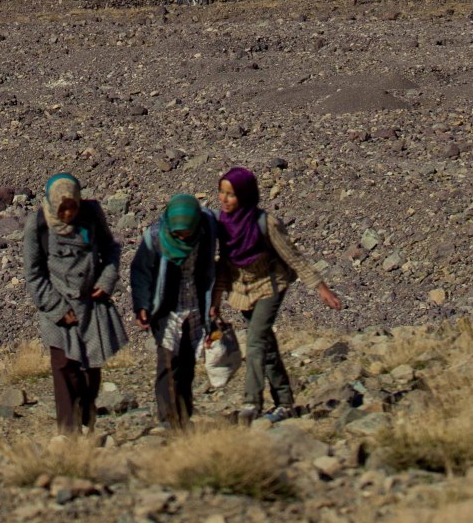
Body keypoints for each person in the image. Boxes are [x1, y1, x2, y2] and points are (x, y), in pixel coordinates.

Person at [212, 166, 342, 423]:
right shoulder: (221, 226)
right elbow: (223, 267)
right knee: (266, 344)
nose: (225, 200)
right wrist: (215, 301)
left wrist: (321, 288)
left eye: (232, 194)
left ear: (246, 196)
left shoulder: (265, 223)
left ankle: (252, 403)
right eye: (222, 193)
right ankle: (285, 402)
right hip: (241, 290)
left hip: (270, 285)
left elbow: (293, 257)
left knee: (255, 341)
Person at [22, 172, 126, 433]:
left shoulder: (91, 215)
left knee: (91, 367)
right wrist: (57, 309)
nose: (68, 213)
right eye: (63, 207)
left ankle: (87, 417)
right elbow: (34, 274)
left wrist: (105, 281)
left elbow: (111, 249)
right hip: (58, 306)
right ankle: (68, 430)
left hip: (91, 303)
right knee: (63, 366)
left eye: (73, 206)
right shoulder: (38, 225)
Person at [130, 193, 219, 428]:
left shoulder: (205, 228)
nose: (182, 237)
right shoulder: (156, 237)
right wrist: (142, 306)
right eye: (178, 233)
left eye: (186, 232)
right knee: (168, 363)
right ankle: (167, 418)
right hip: (166, 307)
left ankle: (184, 414)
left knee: (188, 362)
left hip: (194, 305)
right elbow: (141, 272)